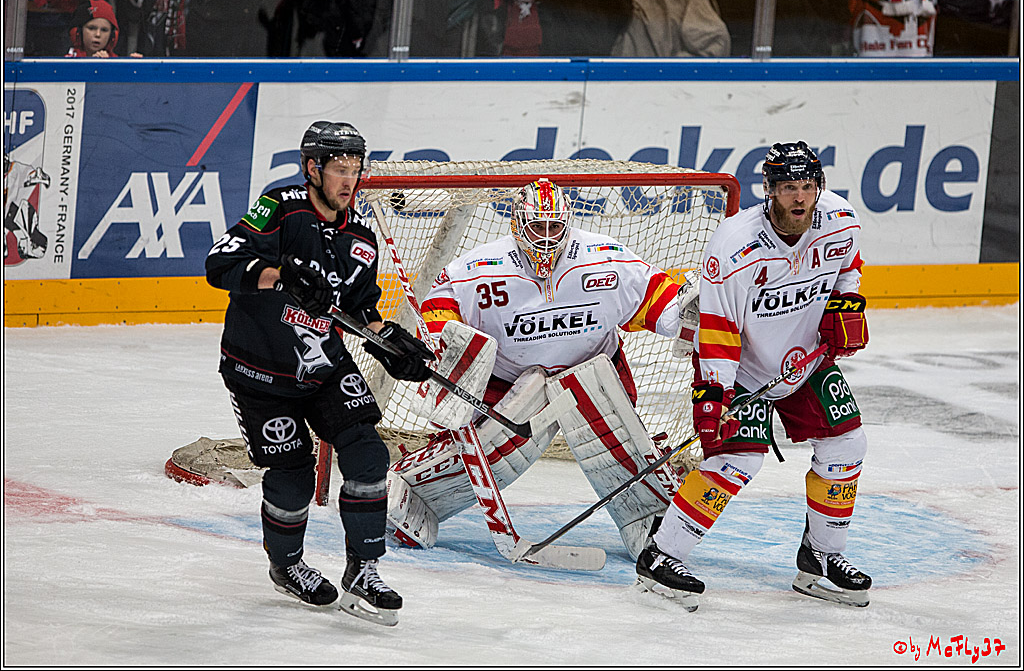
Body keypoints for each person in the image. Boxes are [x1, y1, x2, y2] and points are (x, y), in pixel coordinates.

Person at [386, 179, 698, 560]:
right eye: (538, 227)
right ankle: (417, 493)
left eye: (555, 227)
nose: (547, 238)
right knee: (494, 453)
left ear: (568, 223)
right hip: (509, 382)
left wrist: (686, 313)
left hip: (593, 375)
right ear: (518, 223)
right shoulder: (477, 269)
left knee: (616, 441)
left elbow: (657, 300)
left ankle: (648, 520)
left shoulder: (606, 259)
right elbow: (439, 310)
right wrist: (442, 345)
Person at [205, 121, 434, 626]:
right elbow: (219, 265)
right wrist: (279, 274)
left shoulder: (362, 237)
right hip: (259, 368)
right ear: (312, 168)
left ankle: (364, 569)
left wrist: (391, 343)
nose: (349, 180)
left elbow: (361, 311)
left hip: (323, 366)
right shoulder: (281, 207)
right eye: (338, 169)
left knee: (369, 453)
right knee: (291, 475)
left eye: (356, 169)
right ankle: (287, 566)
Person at [636, 142, 872, 610]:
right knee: (739, 461)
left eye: (807, 187)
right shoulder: (735, 243)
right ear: (769, 190)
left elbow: (850, 269)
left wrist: (847, 306)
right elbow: (718, 328)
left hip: (806, 361)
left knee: (848, 443)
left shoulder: (841, 219)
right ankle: (661, 555)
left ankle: (821, 557)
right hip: (743, 369)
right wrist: (715, 395)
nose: (800, 198)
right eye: (788, 188)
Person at [64, 0, 143, 58]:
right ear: (78, 31)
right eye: (91, 28)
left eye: (104, 30)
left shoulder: (116, 63)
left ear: (112, 35)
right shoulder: (66, 62)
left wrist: (135, 69)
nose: (98, 34)